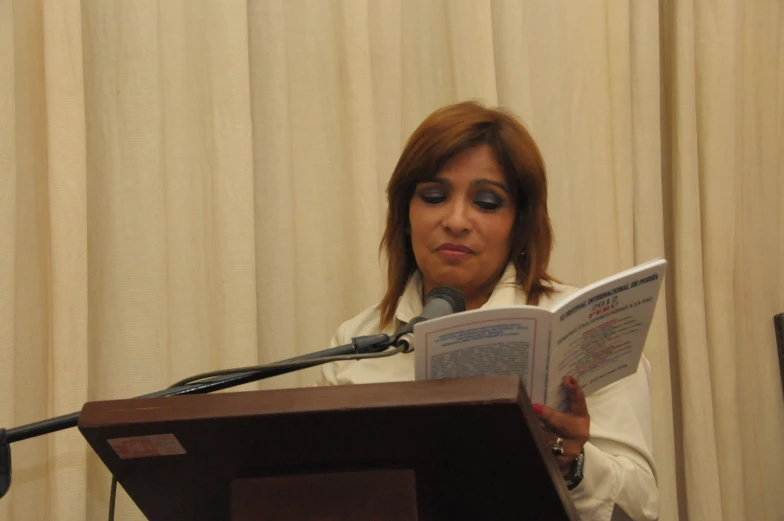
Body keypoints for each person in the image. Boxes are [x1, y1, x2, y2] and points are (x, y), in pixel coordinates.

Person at [317, 101, 659, 521]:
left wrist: (575, 466)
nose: (457, 220)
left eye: (487, 202)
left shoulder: (585, 327)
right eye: (434, 196)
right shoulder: (355, 345)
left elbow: (642, 509)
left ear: (520, 223)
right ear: (406, 214)